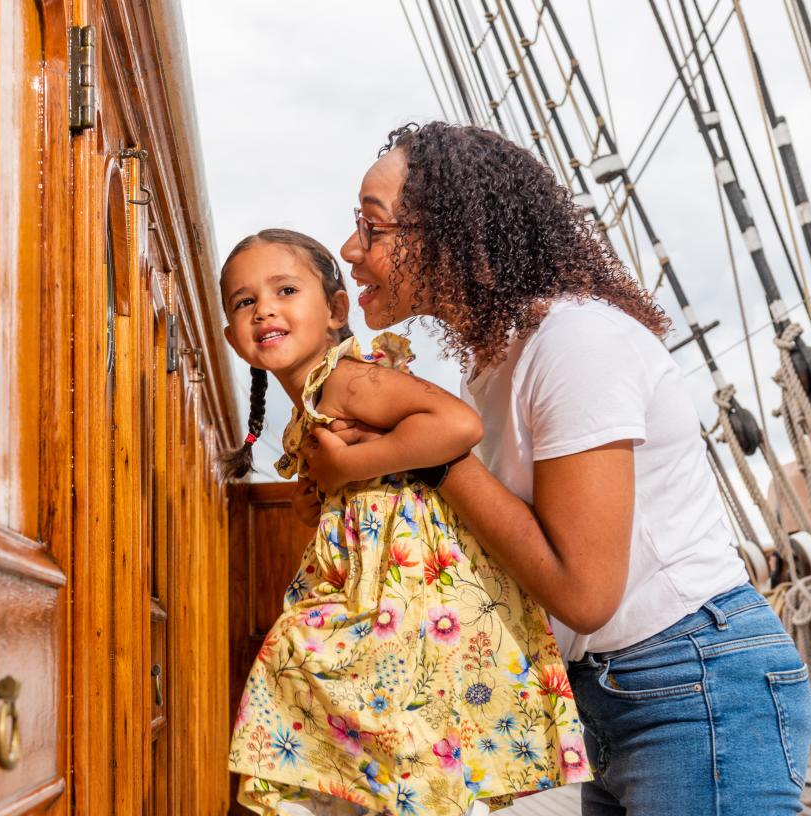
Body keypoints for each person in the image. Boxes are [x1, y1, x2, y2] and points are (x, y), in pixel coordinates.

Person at [307, 121, 811, 815]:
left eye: (372, 227)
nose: (350, 250)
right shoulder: (496, 364)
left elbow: (585, 593)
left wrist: (430, 452)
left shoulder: (575, 344)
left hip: (693, 682)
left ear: (452, 235)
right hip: (606, 694)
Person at [221, 228, 589, 816]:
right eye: (244, 302)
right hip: (383, 594)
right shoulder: (312, 401)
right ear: (233, 337)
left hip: (412, 598)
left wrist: (348, 466)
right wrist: (321, 493)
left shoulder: (349, 379)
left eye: (285, 289)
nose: (264, 307)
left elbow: (457, 424)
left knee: (289, 661)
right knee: (375, 731)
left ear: (337, 309)